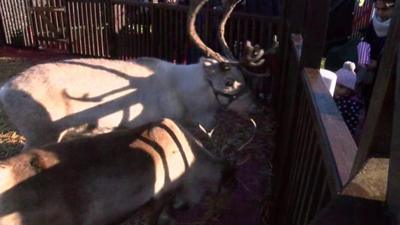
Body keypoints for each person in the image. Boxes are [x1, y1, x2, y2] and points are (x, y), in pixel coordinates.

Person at [357, 0, 395, 108]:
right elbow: (366, 40)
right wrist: (364, 58)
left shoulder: (395, 27)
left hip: (385, 75)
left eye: (385, 9)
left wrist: (378, 64)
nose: (380, 13)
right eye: (377, 9)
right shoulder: (374, 22)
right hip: (368, 72)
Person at [334, 62, 364, 139]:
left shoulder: (352, 105)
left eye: (341, 87)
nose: (336, 88)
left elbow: (353, 122)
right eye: (335, 84)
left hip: (344, 133)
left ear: (349, 90)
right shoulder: (336, 97)